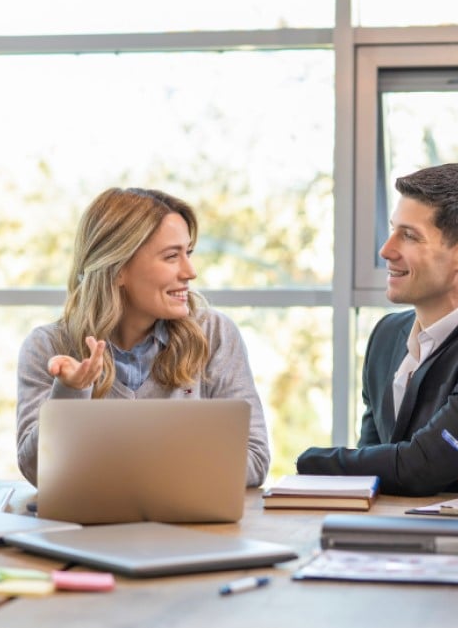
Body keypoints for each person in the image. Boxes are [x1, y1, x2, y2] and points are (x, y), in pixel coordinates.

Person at [296, 163, 458, 496]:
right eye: (392, 230)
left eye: (410, 236)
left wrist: (309, 461)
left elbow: (423, 466)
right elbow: (371, 462)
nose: (386, 250)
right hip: (385, 526)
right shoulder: (386, 335)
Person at [16, 187, 270, 487]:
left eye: (187, 253)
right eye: (172, 256)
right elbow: (37, 472)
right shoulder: (48, 348)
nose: (190, 272)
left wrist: (124, 466)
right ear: (118, 269)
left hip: (192, 529)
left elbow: (254, 459)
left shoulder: (213, 335)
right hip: (91, 533)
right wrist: (71, 392)